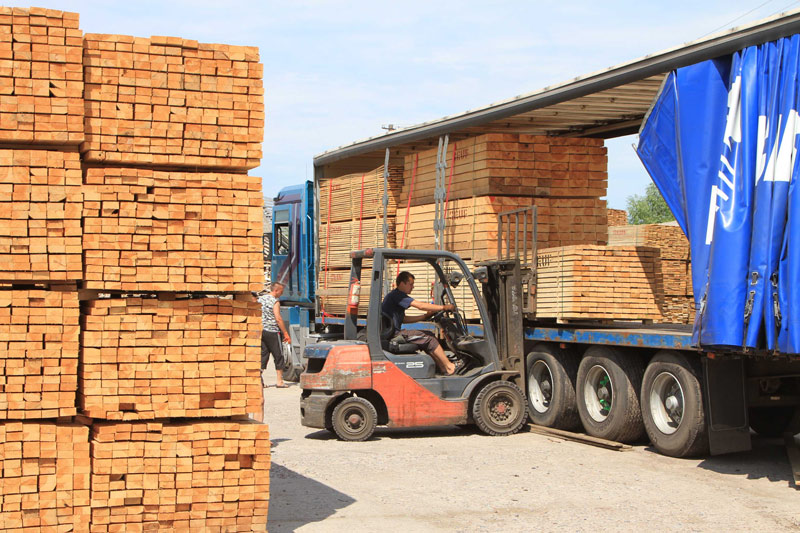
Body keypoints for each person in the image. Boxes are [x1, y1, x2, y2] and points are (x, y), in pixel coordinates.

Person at [381, 271, 462, 376]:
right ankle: (450, 367)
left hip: (393, 332)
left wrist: (424, 317)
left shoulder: (394, 297)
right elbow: (420, 306)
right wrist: (444, 307)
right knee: (430, 338)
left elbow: (404, 319)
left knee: (428, 336)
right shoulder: (398, 295)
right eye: (411, 284)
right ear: (402, 283)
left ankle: (442, 368)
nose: (413, 287)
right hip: (395, 334)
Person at [258, 281, 291, 388]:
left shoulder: (261, 299)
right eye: (281, 291)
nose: (282, 293)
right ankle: (279, 381)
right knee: (278, 355)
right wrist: (285, 333)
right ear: (276, 290)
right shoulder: (275, 301)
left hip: (262, 330)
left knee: (264, 354)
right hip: (273, 331)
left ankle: (258, 380)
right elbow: (278, 318)